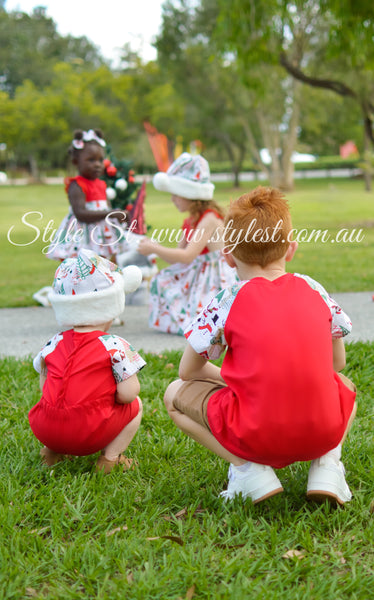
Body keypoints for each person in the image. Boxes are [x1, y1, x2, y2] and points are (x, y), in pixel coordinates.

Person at [164, 186, 357, 505]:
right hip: (321, 430)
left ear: (226, 256)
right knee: (345, 386)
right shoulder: (314, 289)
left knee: (173, 394)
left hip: (255, 434)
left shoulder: (225, 300)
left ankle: (249, 470)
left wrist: (240, 380)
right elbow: (336, 365)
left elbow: (188, 372)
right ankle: (327, 465)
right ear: (291, 249)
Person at [29, 248, 145, 474]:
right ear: (110, 307)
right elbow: (129, 394)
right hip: (87, 433)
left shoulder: (54, 342)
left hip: (44, 427)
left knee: (54, 406)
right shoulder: (115, 345)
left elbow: (45, 387)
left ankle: (50, 452)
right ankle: (110, 459)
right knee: (136, 405)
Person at [138, 152, 238, 335]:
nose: (172, 199)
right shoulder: (192, 220)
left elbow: (187, 256)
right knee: (163, 279)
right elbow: (178, 256)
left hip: (215, 276)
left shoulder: (209, 218)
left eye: (175, 195)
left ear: (189, 193)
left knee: (203, 318)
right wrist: (154, 247)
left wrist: (154, 249)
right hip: (198, 272)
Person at [47, 129, 129, 262]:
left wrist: (119, 216)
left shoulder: (101, 184)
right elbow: (80, 214)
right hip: (83, 235)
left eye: (100, 160)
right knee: (83, 267)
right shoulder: (77, 185)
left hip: (103, 234)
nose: (97, 164)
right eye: (91, 160)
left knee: (108, 265)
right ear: (75, 162)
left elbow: (107, 208)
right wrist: (111, 213)